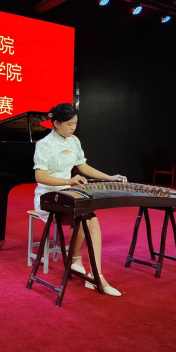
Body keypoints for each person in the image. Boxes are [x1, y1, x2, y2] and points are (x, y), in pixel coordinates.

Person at [33, 103, 127, 297]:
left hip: (68, 192)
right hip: (48, 196)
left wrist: (109, 177)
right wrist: (68, 181)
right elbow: (40, 176)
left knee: (88, 215)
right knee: (88, 217)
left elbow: (82, 166)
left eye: (75, 124)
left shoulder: (74, 141)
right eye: (69, 124)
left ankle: (89, 269)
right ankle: (89, 270)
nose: (73, 128)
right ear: (56, 123)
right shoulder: (44, 144)